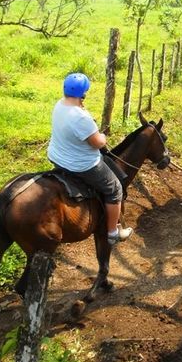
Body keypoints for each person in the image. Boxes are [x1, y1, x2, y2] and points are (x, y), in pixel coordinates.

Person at [48, 73, 133, 245]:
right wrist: (103, 136)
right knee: (114, 188)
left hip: (57, 157)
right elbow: (97, 143)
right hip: (81, 165)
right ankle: (112, 232)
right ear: (83, 94)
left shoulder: (59, 105)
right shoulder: (81, 117)